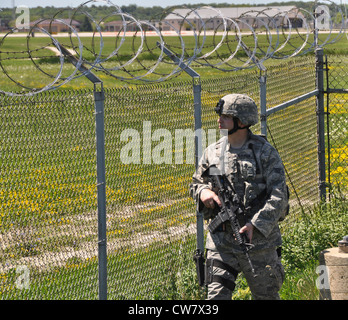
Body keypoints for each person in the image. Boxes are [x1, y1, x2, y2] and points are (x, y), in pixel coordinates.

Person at [190, 93, 289, 300]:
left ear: (241, 121)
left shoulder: (264, 153)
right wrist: (203, 193)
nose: (219, 120)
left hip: (258, 243)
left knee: (266, 296)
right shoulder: (212, 152)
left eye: (225, 116)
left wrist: (256, 224)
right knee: (215, 298)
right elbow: (196, 184)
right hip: (221, 242)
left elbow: (279, 195)